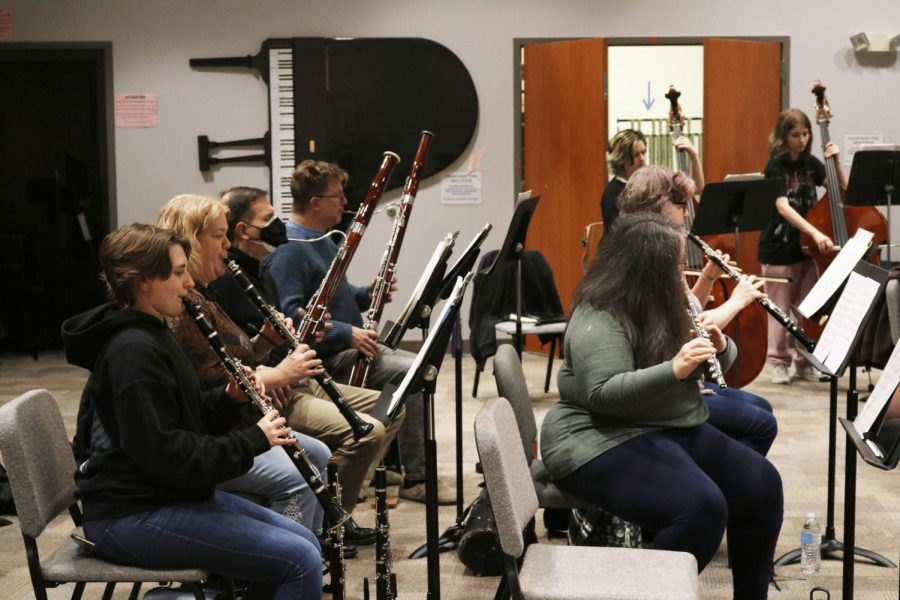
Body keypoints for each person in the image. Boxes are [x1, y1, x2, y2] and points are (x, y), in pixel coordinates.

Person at [61, 223, 321, 598]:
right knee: (299, 559)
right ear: (144, 280)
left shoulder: (155, 331)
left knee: (303, 541)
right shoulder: (132, 352)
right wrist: (253, 440)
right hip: (131, 514)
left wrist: (227, 399)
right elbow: (166, 455)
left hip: (164, 494)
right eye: (180, 273)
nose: (189, 284)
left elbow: (183, 415)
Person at [540, 213, 783, 600]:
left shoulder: (665, 302)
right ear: (648, 269)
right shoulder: (599, 314)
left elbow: (709, 363)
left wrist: (721, 347)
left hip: (661, 418)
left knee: (761, 485)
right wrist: (675, 369)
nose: (682, 270)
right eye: (674, 264)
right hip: (593, 434)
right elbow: (603, 394)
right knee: (701, 509)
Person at [158, 194, 399, 546]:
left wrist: (267, 342)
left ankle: (320, 535)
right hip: (228, 428)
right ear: (191, 239)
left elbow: (236, 360)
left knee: (322, 448)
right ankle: (292, 550)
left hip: (259, 402)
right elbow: (213, 382)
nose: (227, 245)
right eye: (218, 236)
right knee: (326, 455)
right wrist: (279, 374)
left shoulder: (206, 295)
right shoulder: (186, 308)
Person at [265, 160, 455, 504]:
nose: (346, 204)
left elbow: (335, 295)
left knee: (414, 366)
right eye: (337, 196)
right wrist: (346, 333)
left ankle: (380, 458)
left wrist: (367, 294)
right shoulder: (291, 249)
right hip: (327, 359)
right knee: (413, 373)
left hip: (348, 347)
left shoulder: (323, 239)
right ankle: (416, 477)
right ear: (315, 203)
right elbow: (292, 317)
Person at [618, 165, 778, 456]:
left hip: (685, 381)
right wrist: (737, 301)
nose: (687, 214)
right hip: (663, 389)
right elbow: (688, 325)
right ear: (658, 206)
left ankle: (722, 469)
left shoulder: (665, 249)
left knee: (761, 408)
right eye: (682, 205)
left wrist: (708, 276)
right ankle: (719, 472)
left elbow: (688, 308)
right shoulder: (647, 261)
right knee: (761, 423)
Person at [758, 108, 843, 385]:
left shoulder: (811, 163)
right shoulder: (774, 167)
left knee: (810, 309)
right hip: (779, 248)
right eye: (796, 135)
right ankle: (778, 361)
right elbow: (783, 207)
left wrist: (836, 162)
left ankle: (805, 360)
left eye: (806, 133)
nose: (803, 139)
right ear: (784, 136)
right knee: (780, 311)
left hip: (808, 250)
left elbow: (839, 190)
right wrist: (815, 231)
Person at [600, 128, 705, 229]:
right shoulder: (612, 193)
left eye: (643, 152)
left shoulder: (651, 181)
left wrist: (694, 156)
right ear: (621, 158)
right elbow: (618, 237)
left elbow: (696, 188)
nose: (642, 159)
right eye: (636, 155)